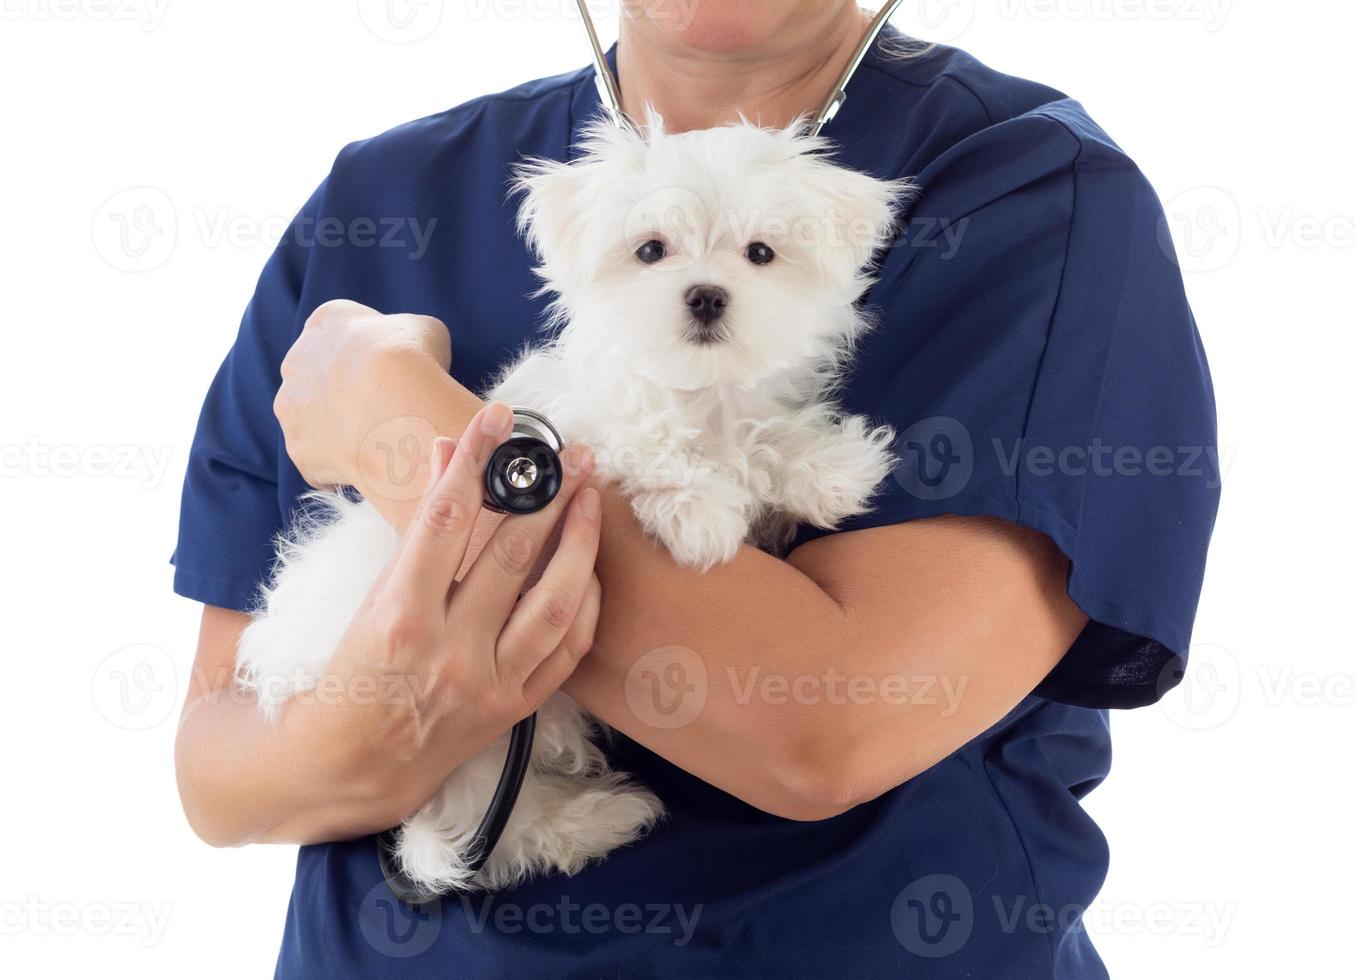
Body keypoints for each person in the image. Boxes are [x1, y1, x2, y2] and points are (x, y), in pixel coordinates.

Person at [171, 3, 1218, 976]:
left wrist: (403, 428)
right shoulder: (381, 197)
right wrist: (389, 722)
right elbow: (219, 775)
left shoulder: (1031, 193)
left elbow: (823, 729)